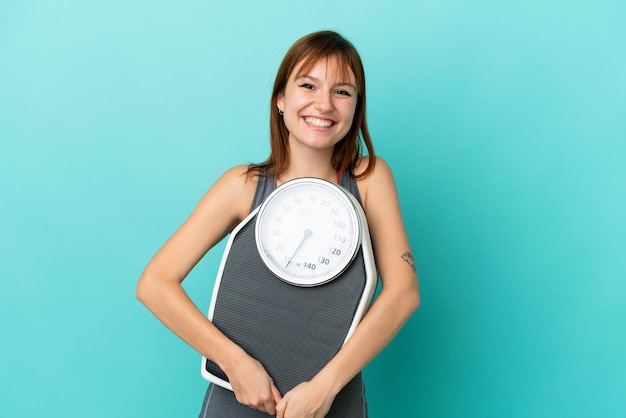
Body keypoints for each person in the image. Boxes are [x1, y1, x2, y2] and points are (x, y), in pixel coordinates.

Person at [137, 30, 420, 418]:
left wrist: (326, 386)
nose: (324, 104)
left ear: (356, 107)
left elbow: (403, 292)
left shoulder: (369, 179)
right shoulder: (243, 186)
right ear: (281, 100)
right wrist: (235, 364)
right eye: (308, 85)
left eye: (342, 92)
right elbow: (155, 282)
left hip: (331, 401)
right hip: (238, 398)